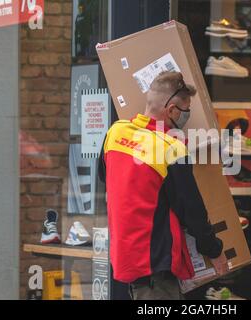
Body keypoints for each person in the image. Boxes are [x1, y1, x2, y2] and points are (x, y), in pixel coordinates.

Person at [98, 71, 228, 300]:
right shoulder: (171, 148)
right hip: (155, 264)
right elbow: (193, 212)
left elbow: (105, 177)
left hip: (127, 258)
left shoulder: (115, 132)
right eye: (186, 111)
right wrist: (214, 250)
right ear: (172, 111)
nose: (187, 117)